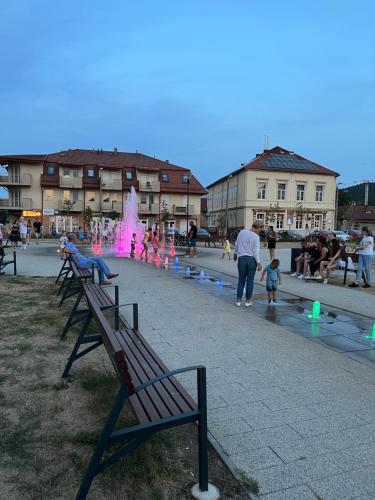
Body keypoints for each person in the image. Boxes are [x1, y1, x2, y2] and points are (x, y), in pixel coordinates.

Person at [234, 221, 263, 307]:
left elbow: (237, 244)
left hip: (241, 259)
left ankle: (238, 301)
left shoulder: (242, 232)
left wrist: (235, 254)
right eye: (260, 229)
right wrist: (259, 262)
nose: (259, 232)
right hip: (251, 260)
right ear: (257, 227)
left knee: (241, 279)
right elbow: (256, 251)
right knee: (250, 281)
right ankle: (248, 301)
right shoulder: (256, 237)